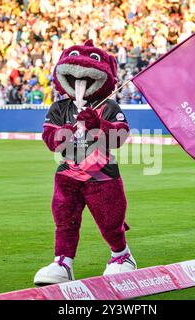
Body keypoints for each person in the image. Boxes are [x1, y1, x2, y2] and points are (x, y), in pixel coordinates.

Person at [34, 40, 135, 286]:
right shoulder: (59, 107)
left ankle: (122, 256)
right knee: (64, 219)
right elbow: (50, 139)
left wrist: (98, 125)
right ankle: (63, 262)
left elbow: (120, 136)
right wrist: (68, 131)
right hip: (68, 172)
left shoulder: (108, 106)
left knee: (110, 220)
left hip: (102, 172)